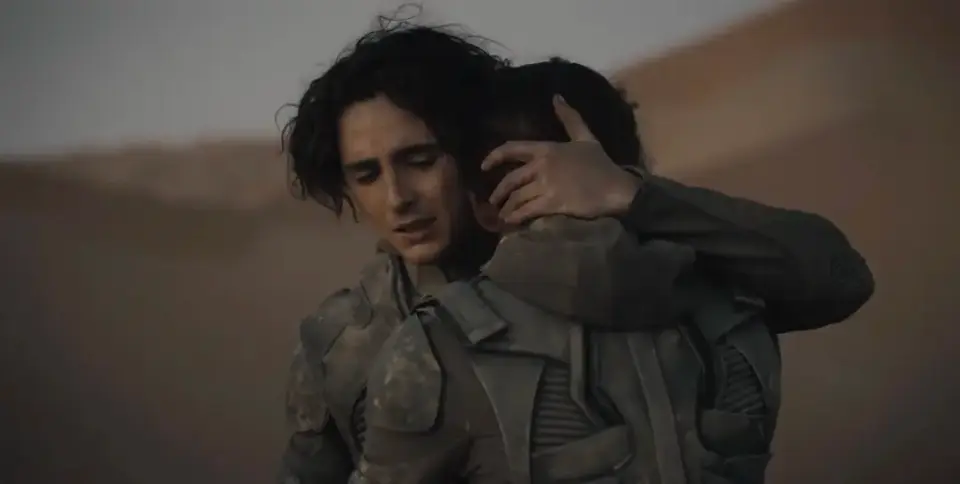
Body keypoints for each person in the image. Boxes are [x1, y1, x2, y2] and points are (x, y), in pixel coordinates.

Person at [278, 19, 874, 484]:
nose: (397, 198)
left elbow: (835, 276)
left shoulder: (640, 283)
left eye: (419, 159)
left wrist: (631, 194)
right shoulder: (342, 344)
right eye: (366, 174)